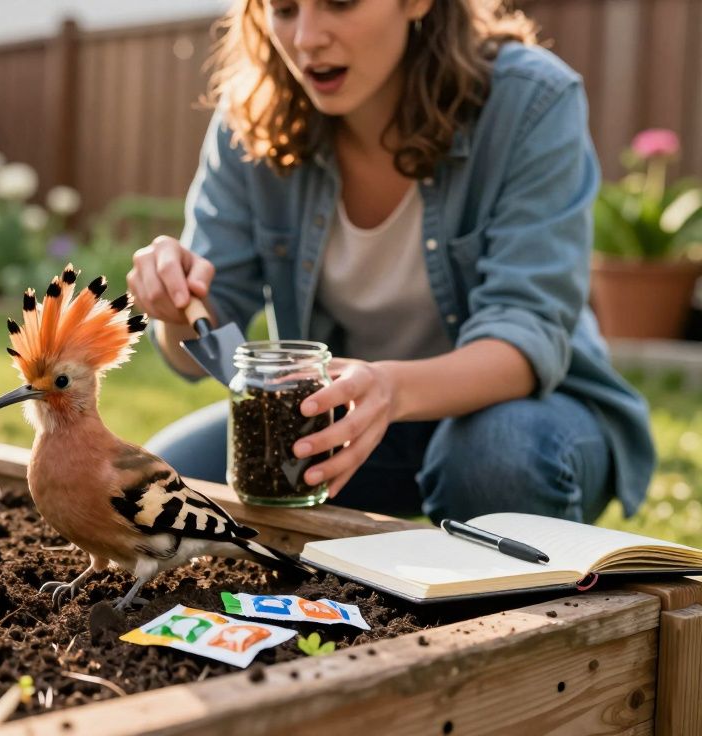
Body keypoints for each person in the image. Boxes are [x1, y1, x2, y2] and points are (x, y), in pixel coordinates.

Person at [130, 0, 655, 523]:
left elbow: (527, 335)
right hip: (346, 420)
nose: (307, 37)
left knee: (494, 460)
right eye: (285, 9)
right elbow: (204, 351)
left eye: (339, 3)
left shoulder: (532, 101)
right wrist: (174, 309)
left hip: (528, 415)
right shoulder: (251, 120)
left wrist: (391, 388)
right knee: (161, 489)